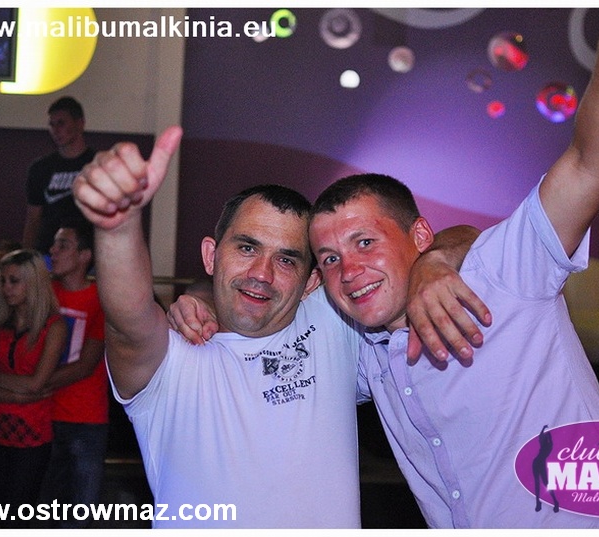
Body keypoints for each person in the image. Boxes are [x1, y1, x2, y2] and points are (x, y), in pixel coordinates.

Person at [306, 9, 599, 528]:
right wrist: (201, 300)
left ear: (419, 237)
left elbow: (592, 160)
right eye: (330, 258)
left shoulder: (500, 273)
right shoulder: (357, 348)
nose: (350, 269)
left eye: (365, 242)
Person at [72, 129, 486, 528]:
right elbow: (128, 316)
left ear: (311, 282)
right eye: (247, 247)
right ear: (211, 256)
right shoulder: (171, 357)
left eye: (286, 260)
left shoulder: (335, 322)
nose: (261, 274)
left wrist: (434, 260)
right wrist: (117, 227)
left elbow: (462, 237)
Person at [0, 249, 66, 528]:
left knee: (19, 516)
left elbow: (37, 383)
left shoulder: (53, 326)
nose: (6, 288)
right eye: (3, 281)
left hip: (31, 434)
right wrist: (17, 393)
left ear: (33, 283)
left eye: (14, 281)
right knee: (1, 515)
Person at [38, 218, 108, 528]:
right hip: (42, 412)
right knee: (43, 512)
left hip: (85, 417)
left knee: (79, 516)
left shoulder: (100, 298)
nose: (53, 251)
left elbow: (86, 364)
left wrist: (30, 385)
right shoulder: (43, 294)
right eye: (54, 244)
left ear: (84, 256)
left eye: (63, 245)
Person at [22, 96, 95, 254]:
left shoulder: (96, 164)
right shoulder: (41, 168)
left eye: (61, 123)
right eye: (52, 124)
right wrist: (27, 256)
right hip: (48, 250)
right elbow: (33, 218)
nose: (55, 130)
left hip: (86, 253)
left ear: (80, 123)